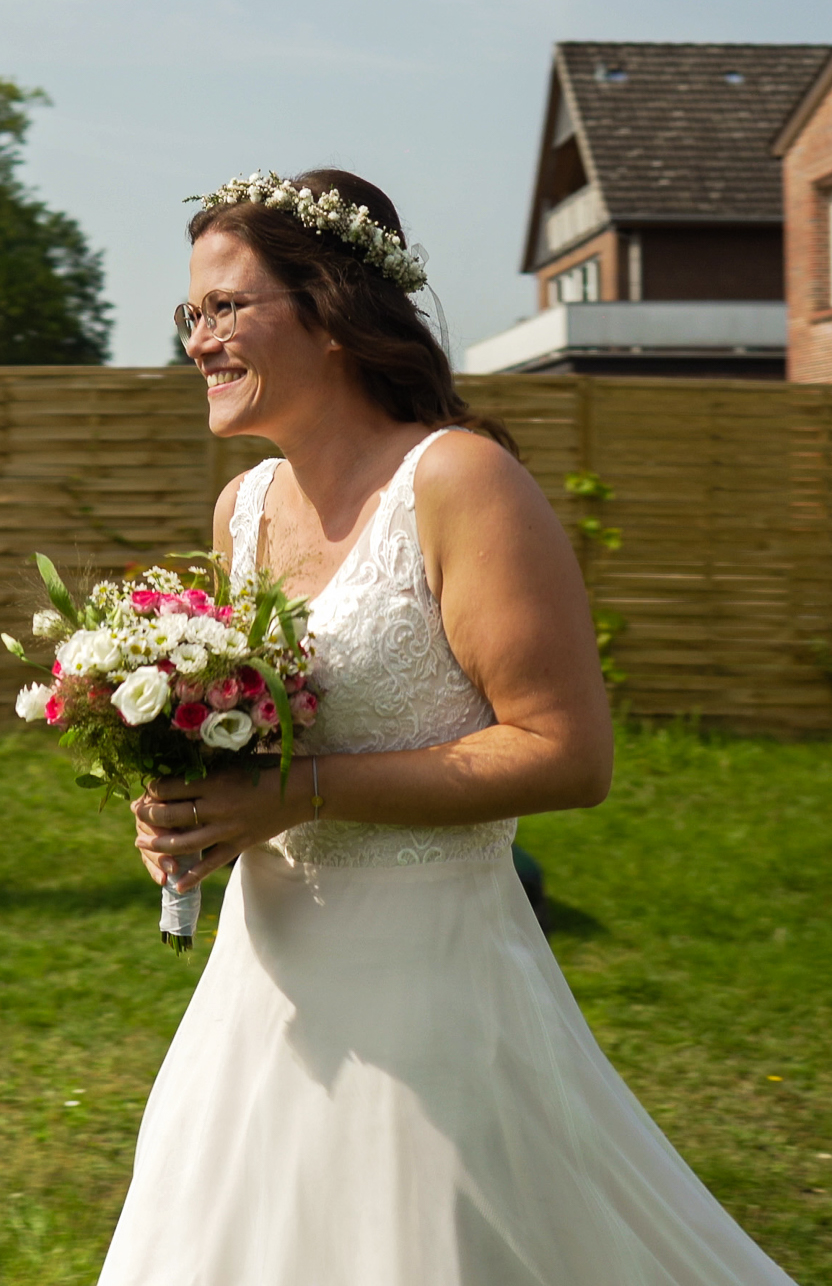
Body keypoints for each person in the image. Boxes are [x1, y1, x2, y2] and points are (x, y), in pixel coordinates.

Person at [98, 169, 795, 1284]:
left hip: (431, 983)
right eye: (191, 313)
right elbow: (251, 733)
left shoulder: (459, 482)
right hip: (260, 991)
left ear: (329, 312)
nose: (199, 339)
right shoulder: (241, 511)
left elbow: (564, 752)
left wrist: (301, 792)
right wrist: (192, 806)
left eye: (227, 307)